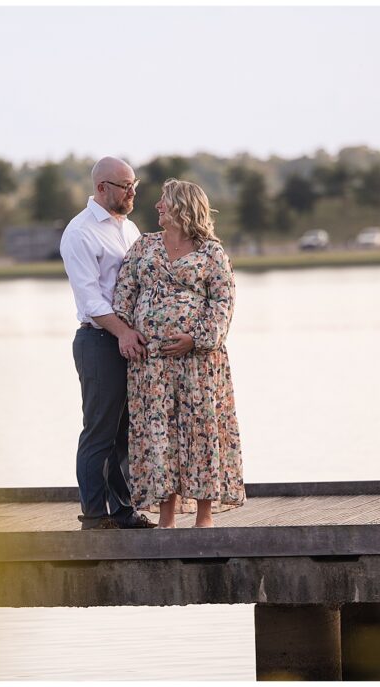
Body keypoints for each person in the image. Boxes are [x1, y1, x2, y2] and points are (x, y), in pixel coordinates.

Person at [113, 178, 245, 528]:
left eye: (164, 202)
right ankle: (166, 518)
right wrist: (128, 331)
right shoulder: (144, 247)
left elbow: (223, 304)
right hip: (150, 365)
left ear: (183, 208)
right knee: (160, 437)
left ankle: (204, 517)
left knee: (200, 433)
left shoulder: (211, 253)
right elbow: (124, 292)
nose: (157, 206)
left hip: (198, 363)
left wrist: (196, 338)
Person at [59, 156, 157, 530]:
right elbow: (91, 301)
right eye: (125, 186)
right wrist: (123, 333)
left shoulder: (129, 228)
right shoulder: (80, 232)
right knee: (99, 430)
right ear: (102, 188)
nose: (133, 193)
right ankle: (94, 515)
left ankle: (123, 510)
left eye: (134, 185)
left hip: (127, 342)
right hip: (100, 341)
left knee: (123, 433)